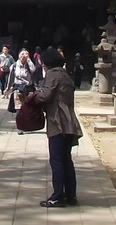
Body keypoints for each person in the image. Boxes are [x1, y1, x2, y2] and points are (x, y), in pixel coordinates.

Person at [35, 48, 82, 207]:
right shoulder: (65, 75)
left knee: (56, 160)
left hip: (58, 122)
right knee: (66, 159)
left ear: (46, 63)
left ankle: (57, 196)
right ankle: (71, 195)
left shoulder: (53, 74)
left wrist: (32, 97)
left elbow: (45, 96)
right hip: (69, 121)